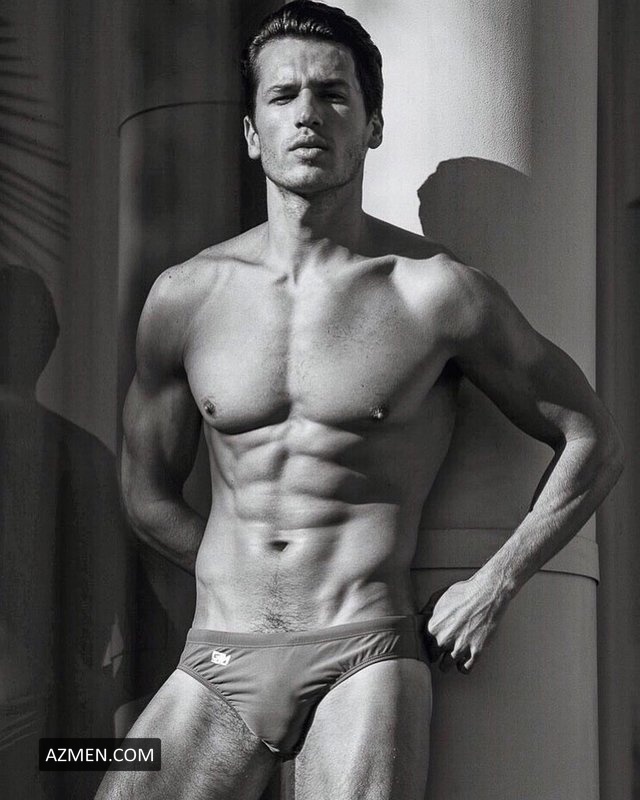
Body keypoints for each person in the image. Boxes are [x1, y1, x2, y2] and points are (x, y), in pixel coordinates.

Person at [96, 2, 623, 798]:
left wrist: (493, 585)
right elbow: (145, 494)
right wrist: (240, 570)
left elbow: (593, 438)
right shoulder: (186, 298)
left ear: (372, 126)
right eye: (283, 96)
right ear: (252, 134)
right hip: (218, 654)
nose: (308, 114)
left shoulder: (437, 294)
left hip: (363, 654)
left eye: (333, 94)